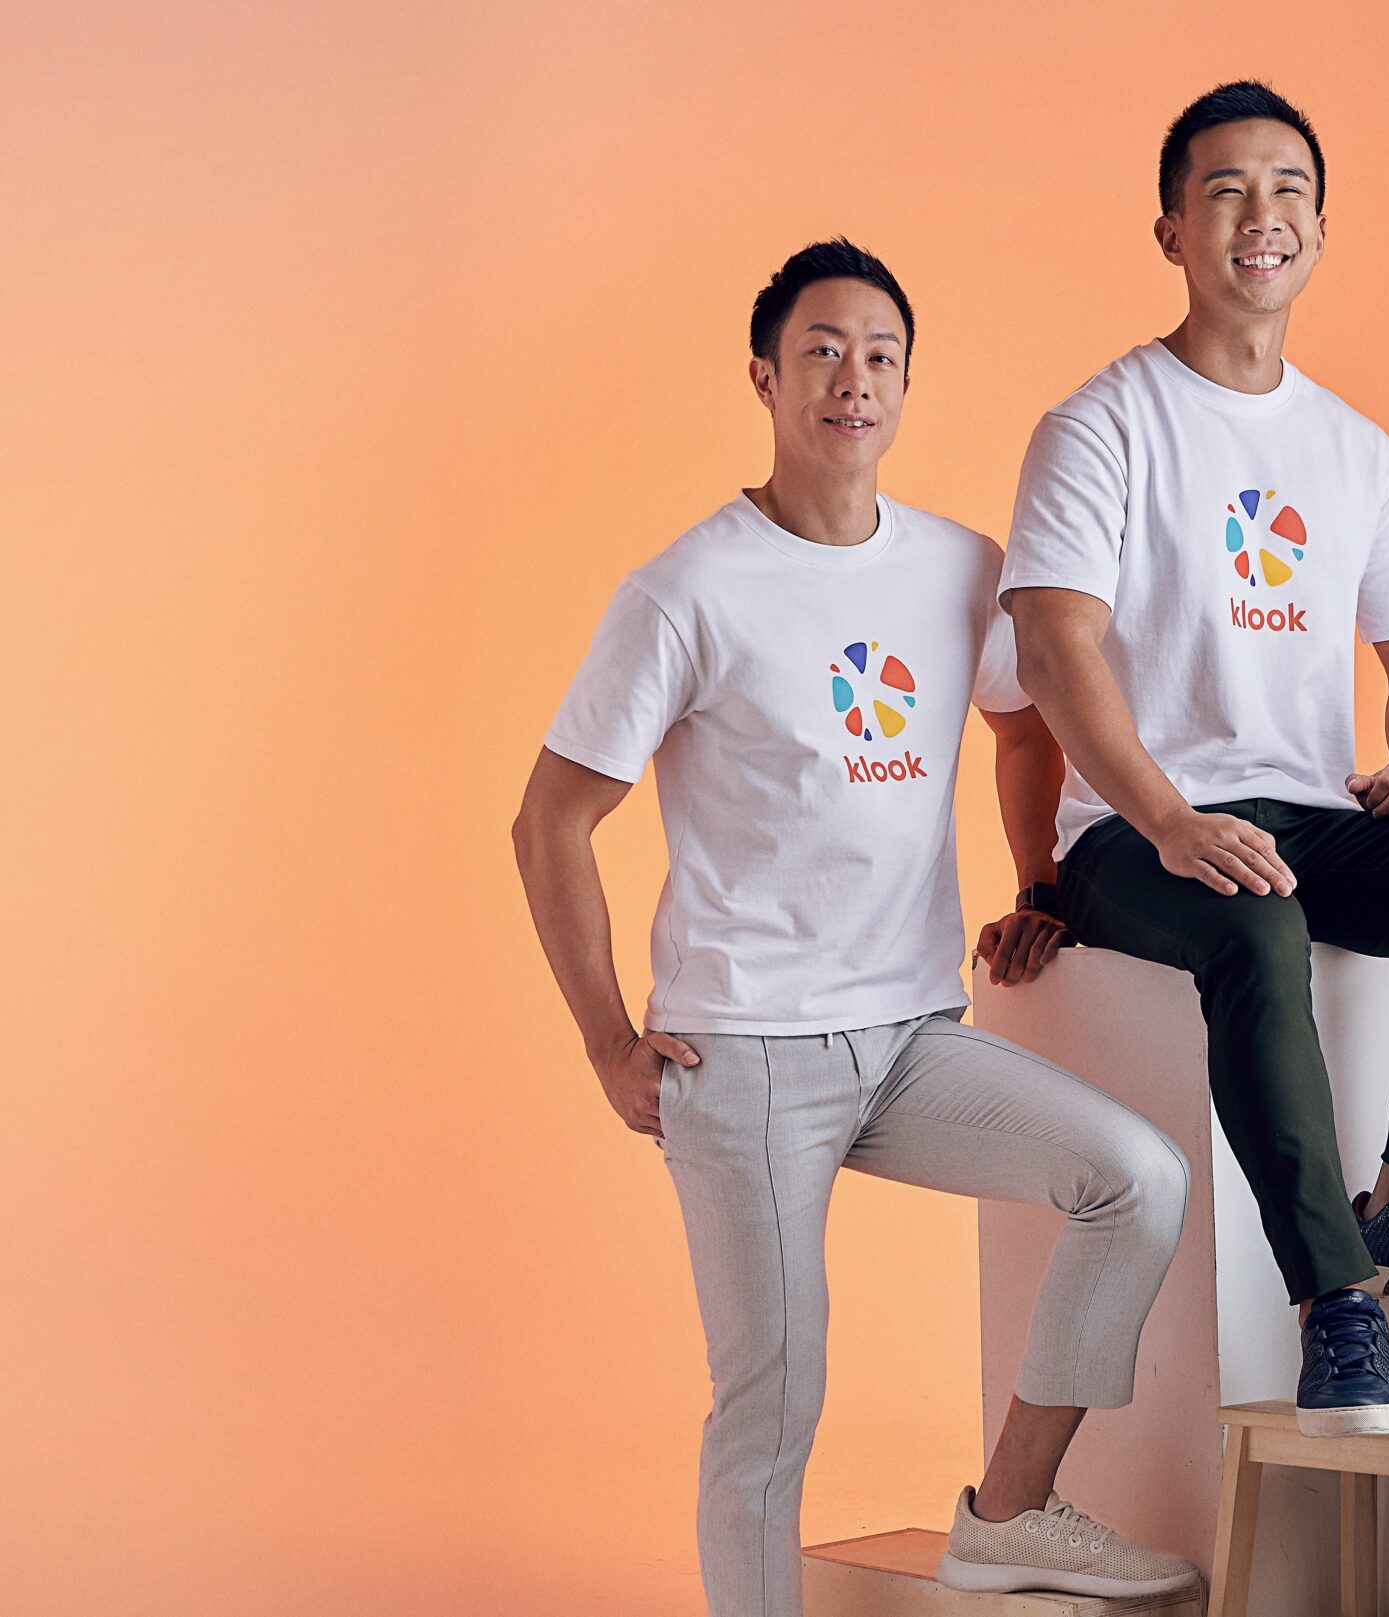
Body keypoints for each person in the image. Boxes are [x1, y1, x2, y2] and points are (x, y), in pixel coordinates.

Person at [510, 239, 1198, 1614]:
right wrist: (607, 1043)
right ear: (766, 376)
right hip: (744, 1056)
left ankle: (1008, 1510)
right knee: (774, 1398)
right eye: (823, 349)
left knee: (1137, 1178)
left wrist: (1040, 886)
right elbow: (549, 824)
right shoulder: (688, 588)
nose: (854, 378)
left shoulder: (957, 568)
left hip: (905, 1035)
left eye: (882, 355)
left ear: (906, 386)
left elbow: (1022, 721)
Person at [999, 81, 1389, 1439]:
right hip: (1135, 833)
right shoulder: (1101, 424)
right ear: (1171, 229)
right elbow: (1057, 650)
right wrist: (1171, 818)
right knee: (1258, 923)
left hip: (1305, 809)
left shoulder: (1353, 448)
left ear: (1319, 223)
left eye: (1290, 189)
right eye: (1227, 191)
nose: (1263, 217)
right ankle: (1338, 1299)